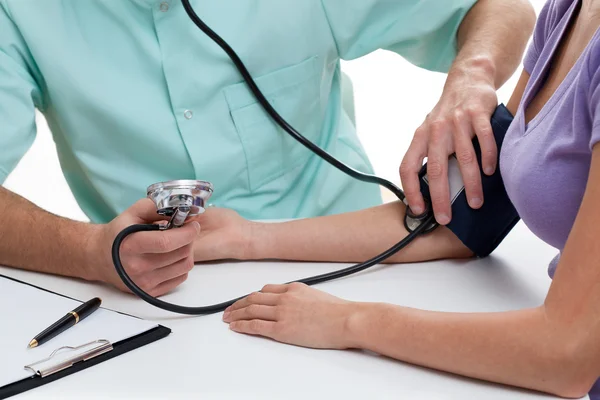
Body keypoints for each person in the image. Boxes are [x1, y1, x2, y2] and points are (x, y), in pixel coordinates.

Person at [191, 0, 600, 398]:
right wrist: (248, 237)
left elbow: (566, 354)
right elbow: (461, 221)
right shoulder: (569, 11)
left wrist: (349, 321)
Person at [0, 1, 535, 296]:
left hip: (365, 268)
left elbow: (500, 6)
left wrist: (472, 78)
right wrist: (89, 252)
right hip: (163, 300)